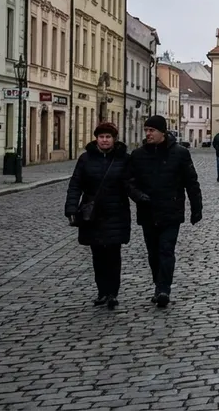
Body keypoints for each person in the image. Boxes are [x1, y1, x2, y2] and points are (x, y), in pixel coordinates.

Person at [64, 122, 148, 310]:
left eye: (108, 137)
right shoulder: (85, 159)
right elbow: (75, 184)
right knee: (97, 255)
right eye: (101, 137)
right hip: (92, 214)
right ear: (96, 138)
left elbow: (129, 184)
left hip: (115, 211)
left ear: (114, 139)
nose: (104, 140)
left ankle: (112, 293)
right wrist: (71, 208)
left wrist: (141, 198)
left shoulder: (123, 159)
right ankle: (102, 291)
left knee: (112, 253)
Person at [129, 115, 202, 308]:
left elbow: (191, 182)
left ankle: (164, 289)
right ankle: (158, 284)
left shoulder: (180, 153)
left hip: (171, 211)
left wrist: (197, 208)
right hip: (147, 211)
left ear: (163, 132)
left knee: (166, 251)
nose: (148, 134)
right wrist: (137, 196)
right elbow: (129, 182)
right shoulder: (138, 155)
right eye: (146, 130)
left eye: (152, 130)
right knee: (153, 253)